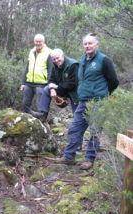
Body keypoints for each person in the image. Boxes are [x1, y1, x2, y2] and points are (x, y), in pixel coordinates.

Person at [55, 33, 119, 170]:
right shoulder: (83, 59)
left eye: (90, 43)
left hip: (98, 101)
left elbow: (114, 81)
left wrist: (103, 94)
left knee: (95, 131)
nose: (87, 46)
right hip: (83, 101)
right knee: (75, 128)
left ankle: (89, 159)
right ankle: (69, 156)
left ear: (97, 45)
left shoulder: (104, 60)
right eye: (85, 44)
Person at [31, 48, 79, 122]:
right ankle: (43, 114)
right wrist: (52, 89)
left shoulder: (73, 65)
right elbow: (51, 80)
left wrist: (56, 87)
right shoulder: (55, 66)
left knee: (78, 116)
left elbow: (73, 83)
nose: (56, 61)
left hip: (75, 93)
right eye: (54, 59)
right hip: (63, 90)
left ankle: (92, 131)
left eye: (57, 58)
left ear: (62, 56)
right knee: (47, 89)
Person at [20, 34, 52, 114]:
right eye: (36, 41)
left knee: (41, 106)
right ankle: (30, 121)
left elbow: (51, 70)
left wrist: (50, 85)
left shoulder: (49, 53)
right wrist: (23, 83)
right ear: (34, 42)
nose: (38, 43)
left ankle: (43, 123)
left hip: (41, 84)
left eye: (40, 41)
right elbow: (27, 68)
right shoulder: (31, 52)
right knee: (25, 105)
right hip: (29, 83)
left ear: (43, 42)